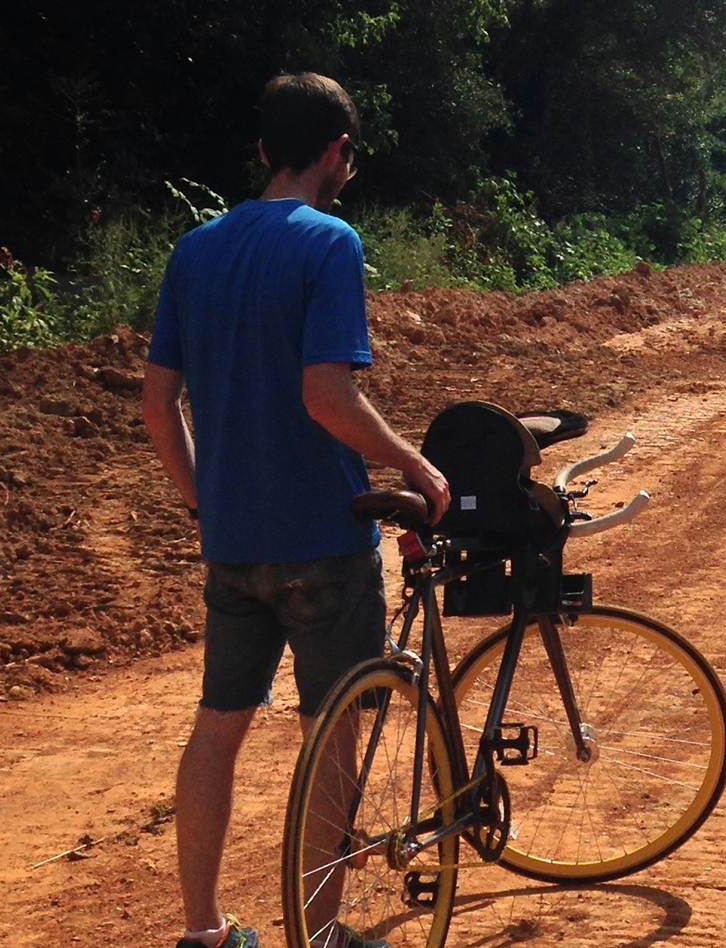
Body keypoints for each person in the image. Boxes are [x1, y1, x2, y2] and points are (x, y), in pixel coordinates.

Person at [142, 73, 451, 948]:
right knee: (331, 731)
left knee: (218, 725)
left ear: (261, 150)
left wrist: (206, 501)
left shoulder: (194, 250)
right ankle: (318, 938)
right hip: (322, 534)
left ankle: (203, 932)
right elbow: (328, 396)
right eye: (349, 155)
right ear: (333, 153)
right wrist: (417, 465)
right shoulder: (330, 242)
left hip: (234, 546)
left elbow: (156, 405)